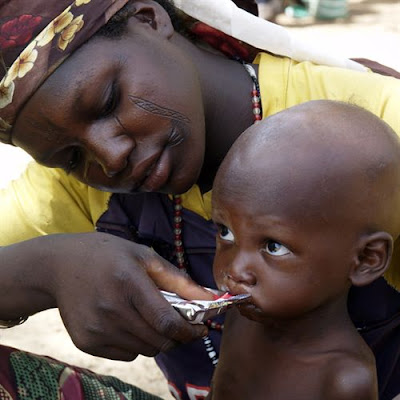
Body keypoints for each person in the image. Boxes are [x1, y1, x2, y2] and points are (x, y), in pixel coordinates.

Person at [1, 1, 400, 399]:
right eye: (71, 157)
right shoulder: (79, 187)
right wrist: (45, 268)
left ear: (149, 19)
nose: (110, 157)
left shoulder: (381, 131)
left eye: (107, 101)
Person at [209, 100, 400, 399]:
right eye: (226, 232)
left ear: (365, 259)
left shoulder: (345, 378)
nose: (235, 270)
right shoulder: (241, 319)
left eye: (273, 246)